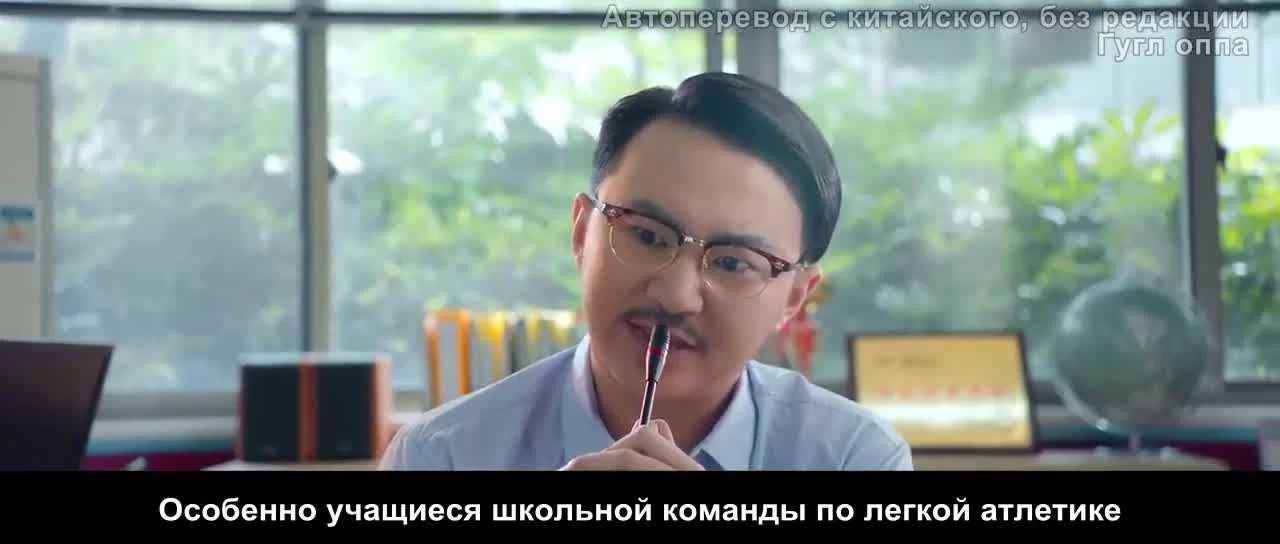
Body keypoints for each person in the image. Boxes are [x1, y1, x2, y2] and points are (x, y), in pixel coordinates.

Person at [380, 72, 911, 471]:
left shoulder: (852, 456)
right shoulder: (441, 456)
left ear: (794, 298)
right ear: (582, 232)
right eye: (647, 235)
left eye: (732, 263)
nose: (675, 296)